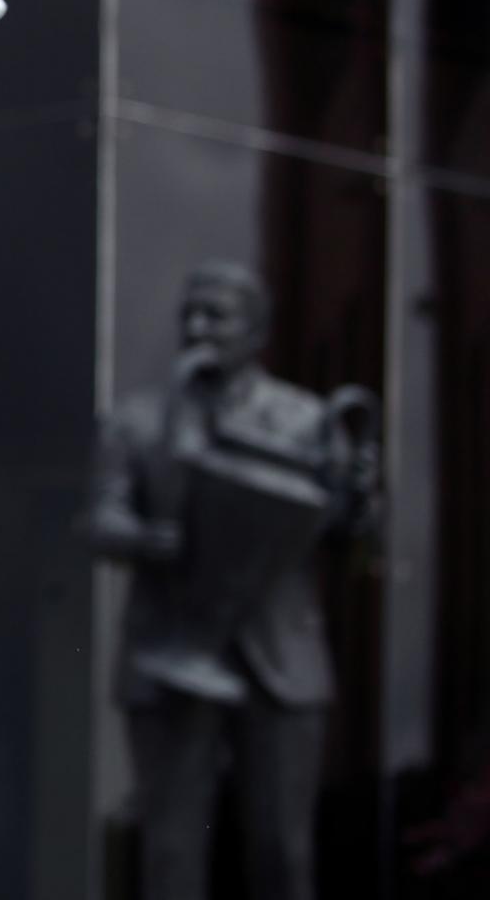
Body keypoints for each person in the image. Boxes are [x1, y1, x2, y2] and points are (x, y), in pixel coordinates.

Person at [85, 263, 380, 900]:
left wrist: (359, 497)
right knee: (171, 846)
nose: (197, 329)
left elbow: (351, 541)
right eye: (189, 315)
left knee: (281, 846)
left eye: (215, 316)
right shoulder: (138, 421)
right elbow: (101, 519)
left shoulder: (306, 421)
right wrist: (144, 539)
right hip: (169, 653)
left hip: (277, 661)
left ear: (257, 331)